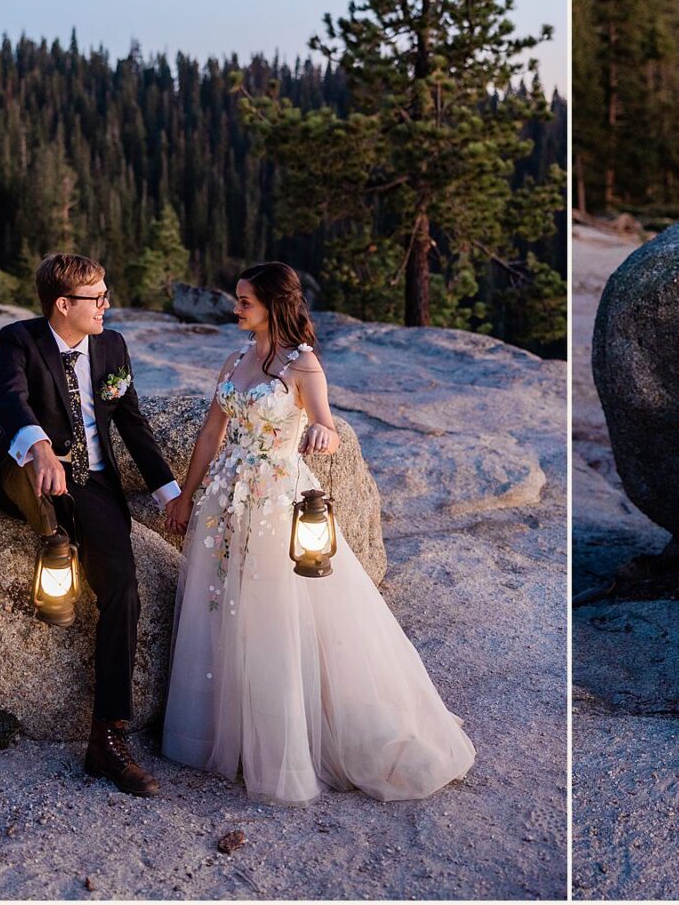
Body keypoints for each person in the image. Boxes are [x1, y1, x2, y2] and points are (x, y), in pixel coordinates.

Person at [160, 261, 475, 803]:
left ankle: (282, 751)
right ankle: (226, 735)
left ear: (273, 305)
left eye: (245, 301)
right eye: (237, 299)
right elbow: (212, 433)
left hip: (278, 498)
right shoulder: (234, 359)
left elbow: (325, 423)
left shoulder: (304, 365)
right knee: (220, 608)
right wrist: (186, 496)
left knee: (271, 615)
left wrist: (325, 436)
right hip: (224, 501)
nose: (235, 308)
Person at [0, 252, 180, 797]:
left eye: (106, 294)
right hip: (24, 465)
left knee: (124, 590)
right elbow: (8, 398)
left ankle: (107, 737)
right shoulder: (19, 338)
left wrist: (171, 495)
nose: (107, 305)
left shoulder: (111, 346)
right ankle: (52, 537)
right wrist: (41, 446)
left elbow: (132, 422)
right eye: (97, 297)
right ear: (63, 304)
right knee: (33, 471)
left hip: (92, 480)